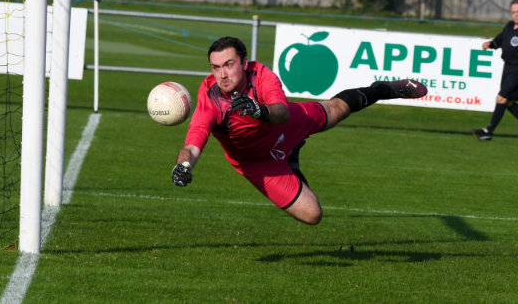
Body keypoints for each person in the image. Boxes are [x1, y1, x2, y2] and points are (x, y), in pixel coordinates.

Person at [171, 36, 428, 225]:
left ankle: (382, 89)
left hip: (286, 124)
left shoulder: (261, 75)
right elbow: (192, 146)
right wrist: (183, 166)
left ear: (245, 63)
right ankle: (291, 159)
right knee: (312, 215)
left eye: (228, 64)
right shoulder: (210, 101)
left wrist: (258, 110)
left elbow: (282, 113)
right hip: (258, 162)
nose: (222, 74)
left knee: (337, 109)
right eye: (215, 67)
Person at [471, 0, 518, 144]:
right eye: (513, 12)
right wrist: (490, 44)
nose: (516, 15)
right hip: (508, 66)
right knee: (507, 101)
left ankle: (488, 131)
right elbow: (499, 40)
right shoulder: (510, 26)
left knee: (501, 98)